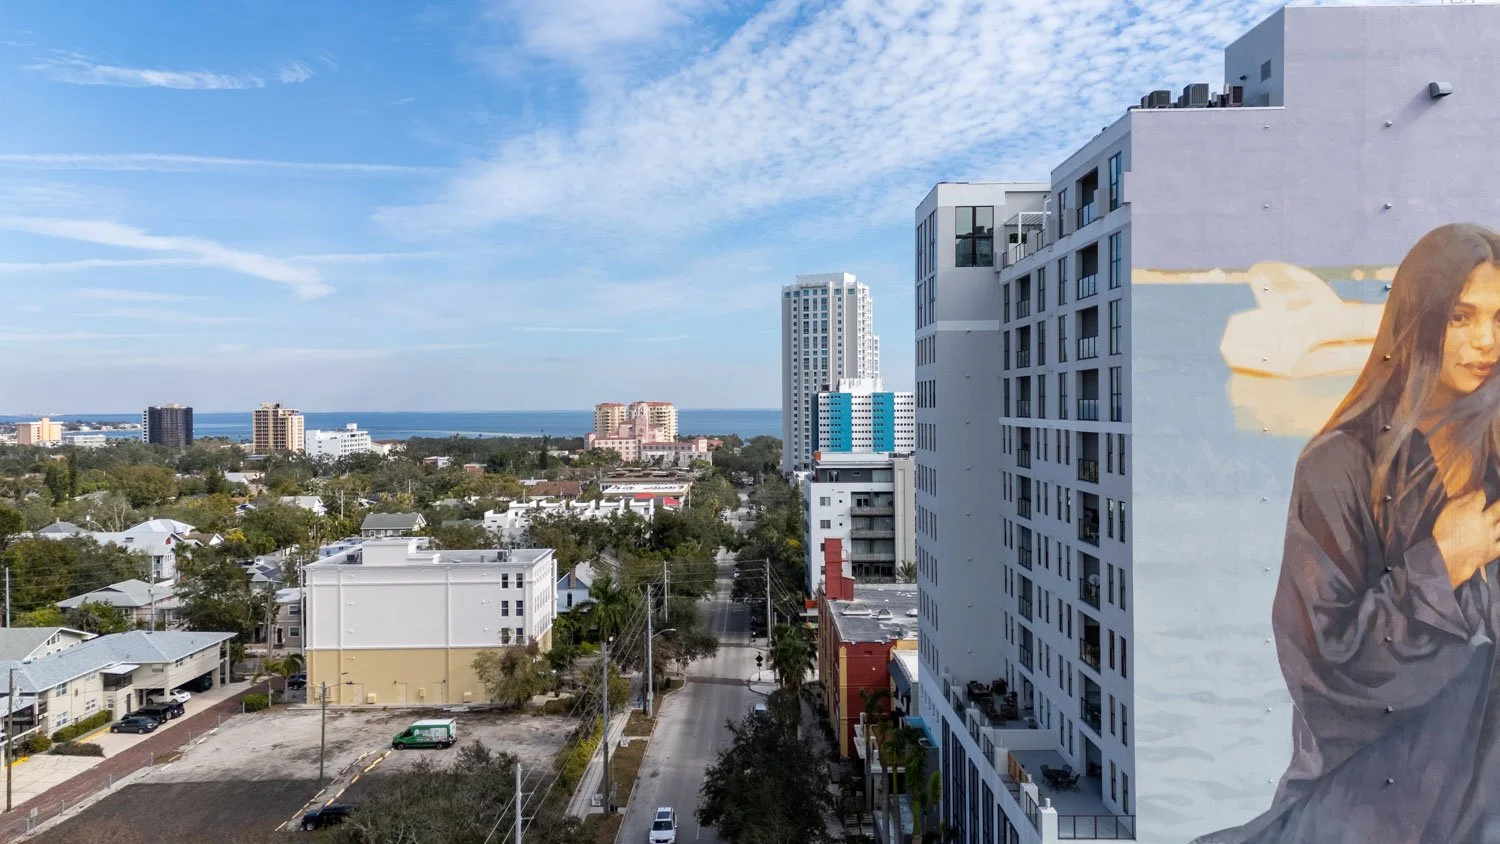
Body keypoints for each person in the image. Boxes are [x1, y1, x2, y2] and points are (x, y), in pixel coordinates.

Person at [1197, 224, 1500, 844]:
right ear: (1418, 320)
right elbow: (1324, 670)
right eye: (1461, 317)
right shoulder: (1339, 465)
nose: (1486, 341)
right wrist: (1441, 567)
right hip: (1372, 805)